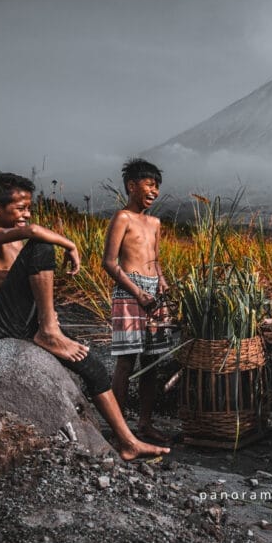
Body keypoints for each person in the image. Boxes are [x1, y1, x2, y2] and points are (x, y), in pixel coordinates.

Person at [0, 172, 169, 460]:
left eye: (29, 208)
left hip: (20, 320)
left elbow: (29, 286)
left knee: (94, 366)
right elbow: (35, 233)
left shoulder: (17, 242)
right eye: (20, 208)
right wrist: (71, 245)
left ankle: (127, 442)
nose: (27, 214)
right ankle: (48, 330)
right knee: (42, 247)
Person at [102, 158, 176, 444]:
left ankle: (145, 424)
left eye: (157, 186)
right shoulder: (123, 218)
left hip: (153, 294)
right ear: (132, 186)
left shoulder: (155, 222)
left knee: (151, 363)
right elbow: (109, 263)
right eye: (148, 184)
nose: (154, 191)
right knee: (126, 362)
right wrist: (138, 293)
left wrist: (163, 287)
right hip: (130, 293)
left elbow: (155, 261)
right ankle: (119, 427)